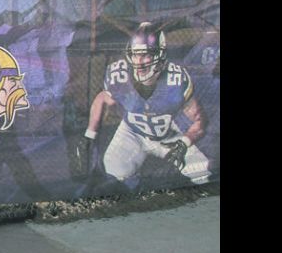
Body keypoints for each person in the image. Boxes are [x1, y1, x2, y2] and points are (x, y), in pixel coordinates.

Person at [76, 22, 211, 192]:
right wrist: (90, 135)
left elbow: (200, 121)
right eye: (135, 54)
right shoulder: (120, 75)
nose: (139, 62)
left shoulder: (175, 80)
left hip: (168, 135)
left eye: (146, 54)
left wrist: (184, 142)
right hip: (132, 132)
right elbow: (102, 98)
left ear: (160, 55)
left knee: (202, 171)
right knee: (114, 171)